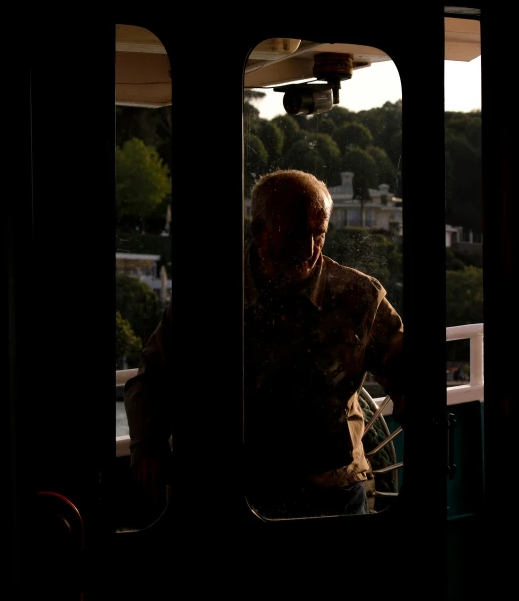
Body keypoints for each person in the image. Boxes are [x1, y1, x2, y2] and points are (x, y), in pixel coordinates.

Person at [125, 168, 404, 518]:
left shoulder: (360, 297)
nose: (310, 250)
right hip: (236, 493)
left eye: (320, 234)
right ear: (259, 232)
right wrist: (148, 447)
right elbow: (151, 380)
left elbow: (402, 365)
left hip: (332, 494)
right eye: (295, 235)